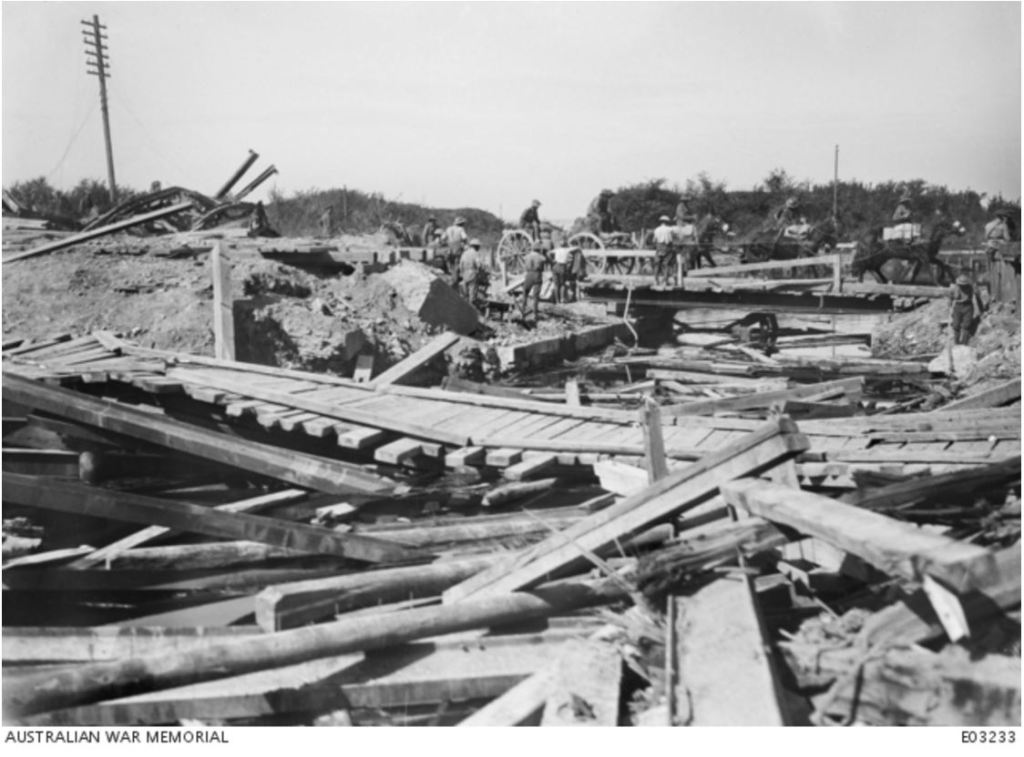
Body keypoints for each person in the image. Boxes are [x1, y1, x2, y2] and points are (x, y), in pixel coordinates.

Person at [948, 272, 983, 346]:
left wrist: (981, 309)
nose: (963, 287)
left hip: (968, 307)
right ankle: (956, 343)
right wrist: (950, 308)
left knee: (966, 326)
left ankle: (964, 343)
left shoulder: (971, 287)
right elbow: (950, 298)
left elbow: (978, 297)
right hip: (958, 306)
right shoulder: (954, 288)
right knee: (956, 325)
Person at [521, 241, 548, 321]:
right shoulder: (540, 256)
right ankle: (535, 313)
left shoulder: (528, 256)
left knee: (525, 292)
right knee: (536, 296)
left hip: (529, 274)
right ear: (539, 249)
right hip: (537, 274)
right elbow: (546, 260)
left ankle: (523, 310)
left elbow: (524, 259)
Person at [459, 238, 485, 306]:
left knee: (465, 293)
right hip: (473, 274)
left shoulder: (464, 253)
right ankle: (472, 308)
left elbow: (461, 264)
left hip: (465, 274)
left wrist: (462, 273)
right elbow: (479, 265)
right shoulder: (476, 254)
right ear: (476, 246)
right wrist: (481, 272)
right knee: (472, 294)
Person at [652, 215, 676, 287]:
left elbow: (654, 240)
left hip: (659, 248)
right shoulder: (670, 229)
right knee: (666, 264)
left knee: (657, 264)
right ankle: (665, 281)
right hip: (667, 248)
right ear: (667, 222)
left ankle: (656, 281)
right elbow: (673, 239)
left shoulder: (656, 229)